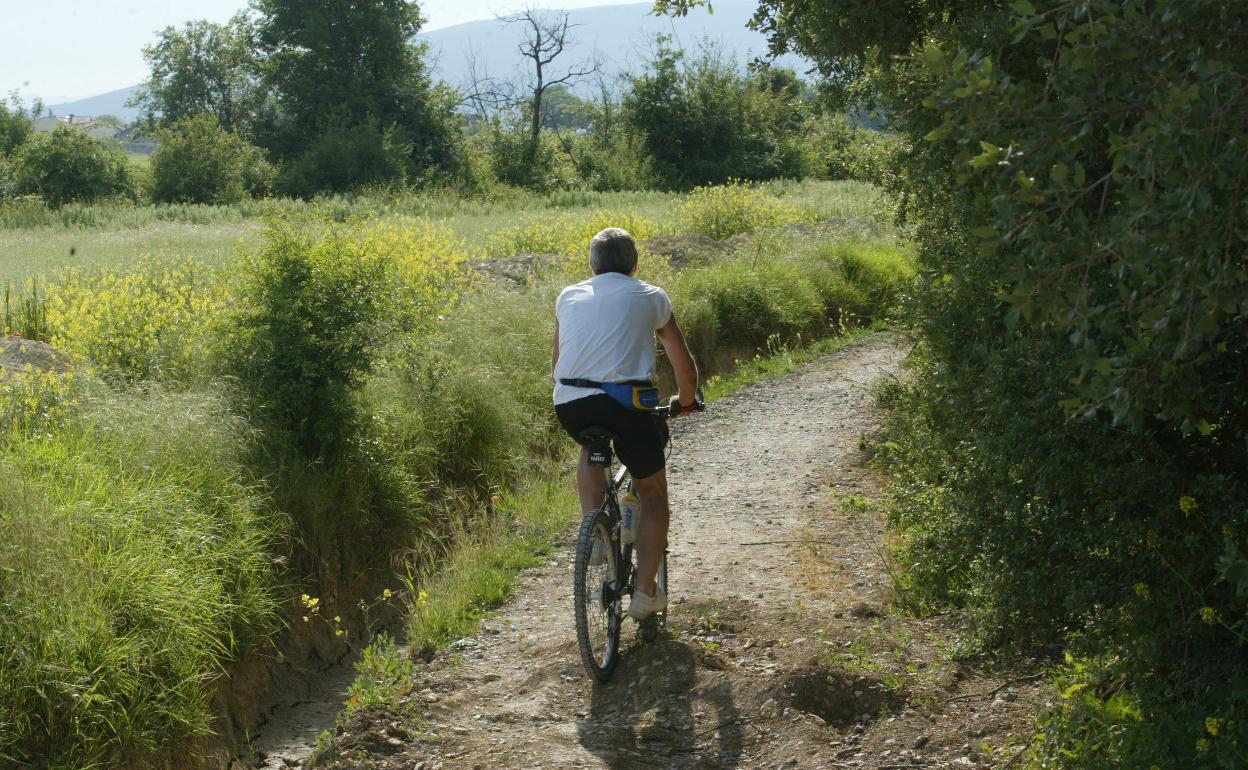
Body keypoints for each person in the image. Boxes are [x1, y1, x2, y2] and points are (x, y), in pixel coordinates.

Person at [552, 227, 699, 620]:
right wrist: (685, 402)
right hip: (628, 405)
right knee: (653, 494)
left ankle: (595, 531)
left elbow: (557, 364)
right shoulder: (651, 296)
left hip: (571, 402)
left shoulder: (568, 296)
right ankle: (646, 594)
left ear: (592, 267)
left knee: (591, 446)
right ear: (634, 266)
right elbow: (681, 363)